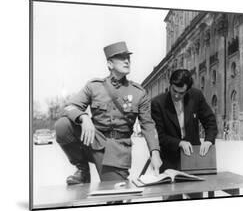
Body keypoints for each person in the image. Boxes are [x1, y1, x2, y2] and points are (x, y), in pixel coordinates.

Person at [55, 41, 162, 185]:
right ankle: (82, 170)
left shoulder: (138, 93)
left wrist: (155, 152)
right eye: (121, 57)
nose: (126, 61)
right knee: (63, 125)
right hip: (93, 141)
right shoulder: (94, 87)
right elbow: (70, 107)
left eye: (128, 58)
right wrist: (83, 117)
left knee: (115, 197)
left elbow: (148, 125)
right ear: (110, 64)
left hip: (117, 150)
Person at [151, 69, 218, 199]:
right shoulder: (158, 103)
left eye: (181, 93)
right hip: (169, 161)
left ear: (187, 90)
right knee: (172, 202)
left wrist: (209, 140)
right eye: (174, 91)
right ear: (170, 85)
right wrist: (179, 143)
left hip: (193, 160)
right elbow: (160, 136)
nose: (176, 95)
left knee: (196, 199)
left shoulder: (196, 96)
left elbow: (210, 121)